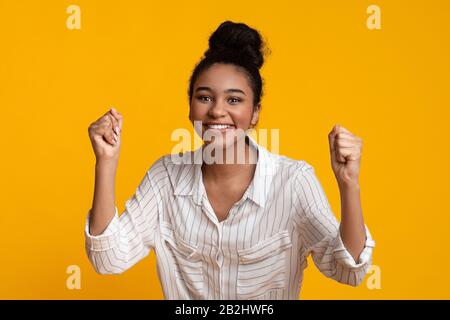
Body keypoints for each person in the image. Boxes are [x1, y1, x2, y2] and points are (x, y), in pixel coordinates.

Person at [85, 20, 375, 300]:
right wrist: (106, 162)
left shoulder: (293, 181)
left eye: (234, 100)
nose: (217, 111)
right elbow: (109, 260)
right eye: (205, 97)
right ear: (190, 108)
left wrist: (349, 184)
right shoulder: (165, 178)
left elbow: (348, 271)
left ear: (255, 112)